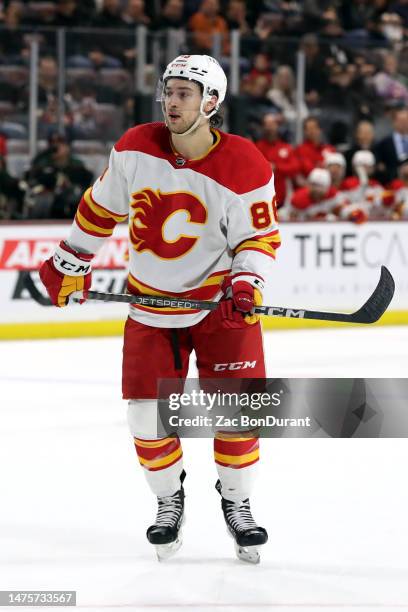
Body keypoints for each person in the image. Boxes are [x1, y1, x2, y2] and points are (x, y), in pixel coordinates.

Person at [38, 54, 281, 563]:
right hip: (150, 308)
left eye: (184, 93)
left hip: (218, 309)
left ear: (211, 103)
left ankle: (237, 502)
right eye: (168, 91)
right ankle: (169, 500)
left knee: (237, 414)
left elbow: (257, 238)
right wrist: (70, 259)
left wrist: (247, 285)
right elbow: (100, 210)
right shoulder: (134, 148)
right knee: (146, 418)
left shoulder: (246, 164)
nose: (171, 101)